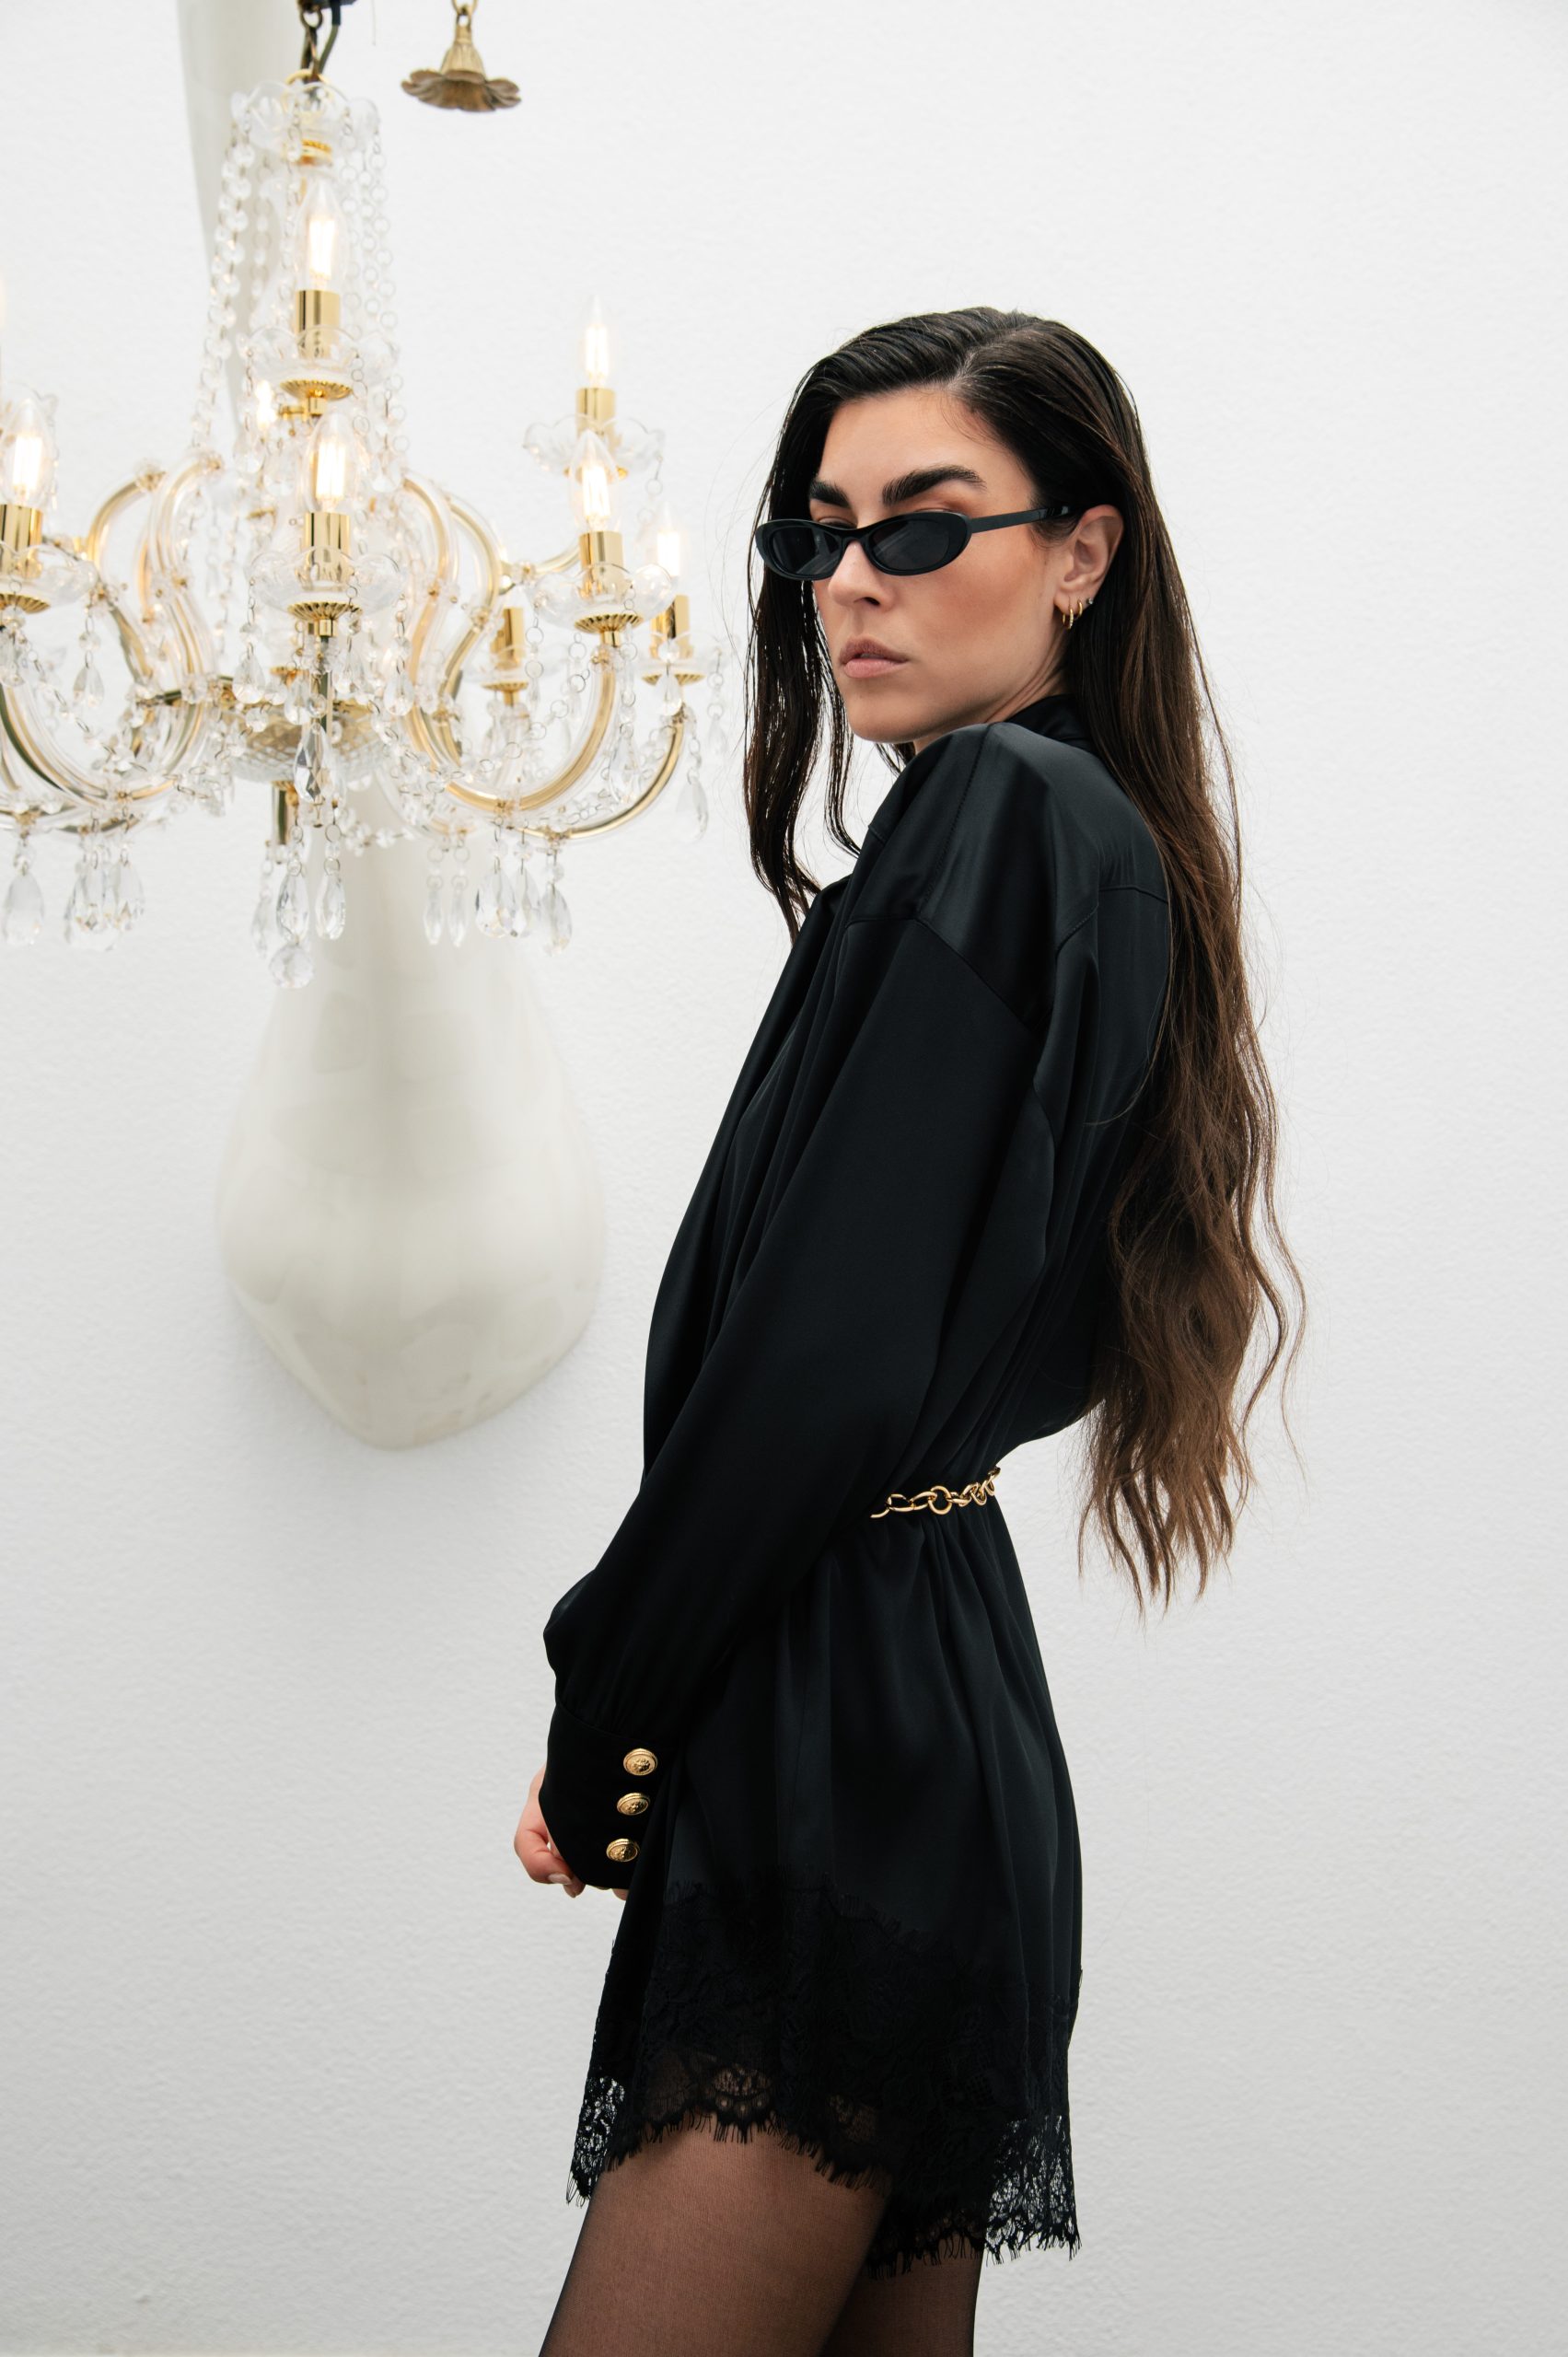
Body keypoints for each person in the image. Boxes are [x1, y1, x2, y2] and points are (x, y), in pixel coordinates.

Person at [514, 307, 1306, 2356]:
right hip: (923, 1711)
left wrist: (607, 1710)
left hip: (847, 1736)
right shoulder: (1081, 836)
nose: (851, 578)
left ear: (1084, 552)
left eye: (924, 525)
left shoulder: (1005, 814)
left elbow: (822, 1354)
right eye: (819, 533)